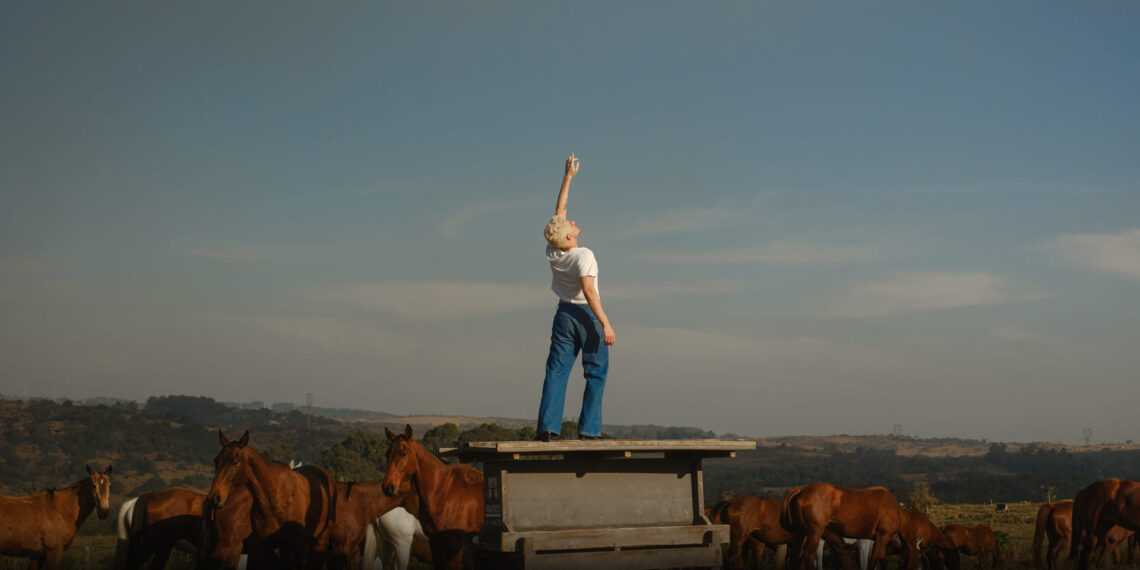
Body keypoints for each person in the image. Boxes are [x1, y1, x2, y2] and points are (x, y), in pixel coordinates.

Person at [535, 153, 616, 441]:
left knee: (557, 371)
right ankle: (589, 431)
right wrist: (605, 322)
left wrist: (568, 176)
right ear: (569, 237)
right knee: (595, 373)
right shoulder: (584, 256)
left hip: (563, 316)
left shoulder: (554, 251)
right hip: (586, 315)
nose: (571, 220)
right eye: (569, 224)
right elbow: (590, 291)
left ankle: (547, 429)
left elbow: (560, 210)